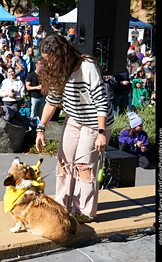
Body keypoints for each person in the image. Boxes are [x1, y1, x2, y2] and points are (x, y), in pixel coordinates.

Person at [35, 34, 114, 223]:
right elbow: (52, 102)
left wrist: (101, 133)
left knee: (84, 167)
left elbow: (102, 102)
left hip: (96, 122)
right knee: (64, 163)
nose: (49, 64)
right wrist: (40, 128)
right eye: (45, 60)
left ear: (62, 55)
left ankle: (84, 212)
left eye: (51, 60)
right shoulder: (58, 71)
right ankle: (62, 206)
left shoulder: (87, 67)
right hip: (74, 118)